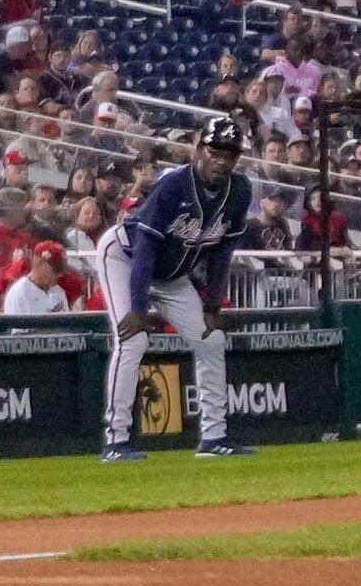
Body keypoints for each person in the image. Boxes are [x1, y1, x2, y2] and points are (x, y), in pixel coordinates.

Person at [97, 118, 254, 462]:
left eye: (230, 154)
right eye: (215, 151)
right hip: (125, 258)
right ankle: (115, 441)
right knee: (133, 340)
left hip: (172, 276)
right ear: (199, 150)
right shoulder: (173, 185)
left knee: (211, 339)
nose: (221, 160)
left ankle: (214, 438)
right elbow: (145, 250)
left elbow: (222, 253)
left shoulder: (240, 191)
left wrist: (212, 305)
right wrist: (138, 309)